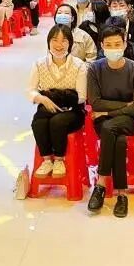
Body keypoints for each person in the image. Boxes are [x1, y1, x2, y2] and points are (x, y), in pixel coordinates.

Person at [86, 25, 134, 218]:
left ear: (125, 44)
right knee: (118, 140)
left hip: (128, 120)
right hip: (103, 121)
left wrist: (106, 111)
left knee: (110, 128)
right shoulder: (94, 69)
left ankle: (101, 185)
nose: (113, 48)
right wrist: (122, 106)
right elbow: (95, 102)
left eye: (117, 44)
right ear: (102, 46)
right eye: (109, 45)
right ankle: (122, 194)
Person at [28, 25, 88, 179]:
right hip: (47, 108)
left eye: (64, 41)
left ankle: (59, 160)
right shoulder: (39, 64)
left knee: (57, 121)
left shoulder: (79, 65)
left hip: (73, 111)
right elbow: (30, 91)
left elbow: (81, 96)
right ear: (49, 42)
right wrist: (42, 98)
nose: (59, 45)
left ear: (70, 44)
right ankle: (47, 160)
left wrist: (57, 96)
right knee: (38, 122)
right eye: (55, 40)